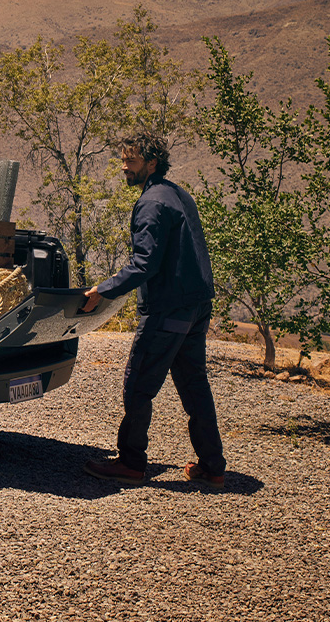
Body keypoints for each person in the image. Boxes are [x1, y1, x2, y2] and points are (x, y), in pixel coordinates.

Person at [80, 133, 227, 488]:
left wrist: (103, 290)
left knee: (138, 384)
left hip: (168, 309)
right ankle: (212, 466)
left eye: (130, 161)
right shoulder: (178, 194)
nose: (124, 167)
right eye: (123, 160)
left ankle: (131, 463)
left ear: (151, 163)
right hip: (196, 305)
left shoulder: (151, 203)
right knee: (194, 385)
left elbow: (144, 264)